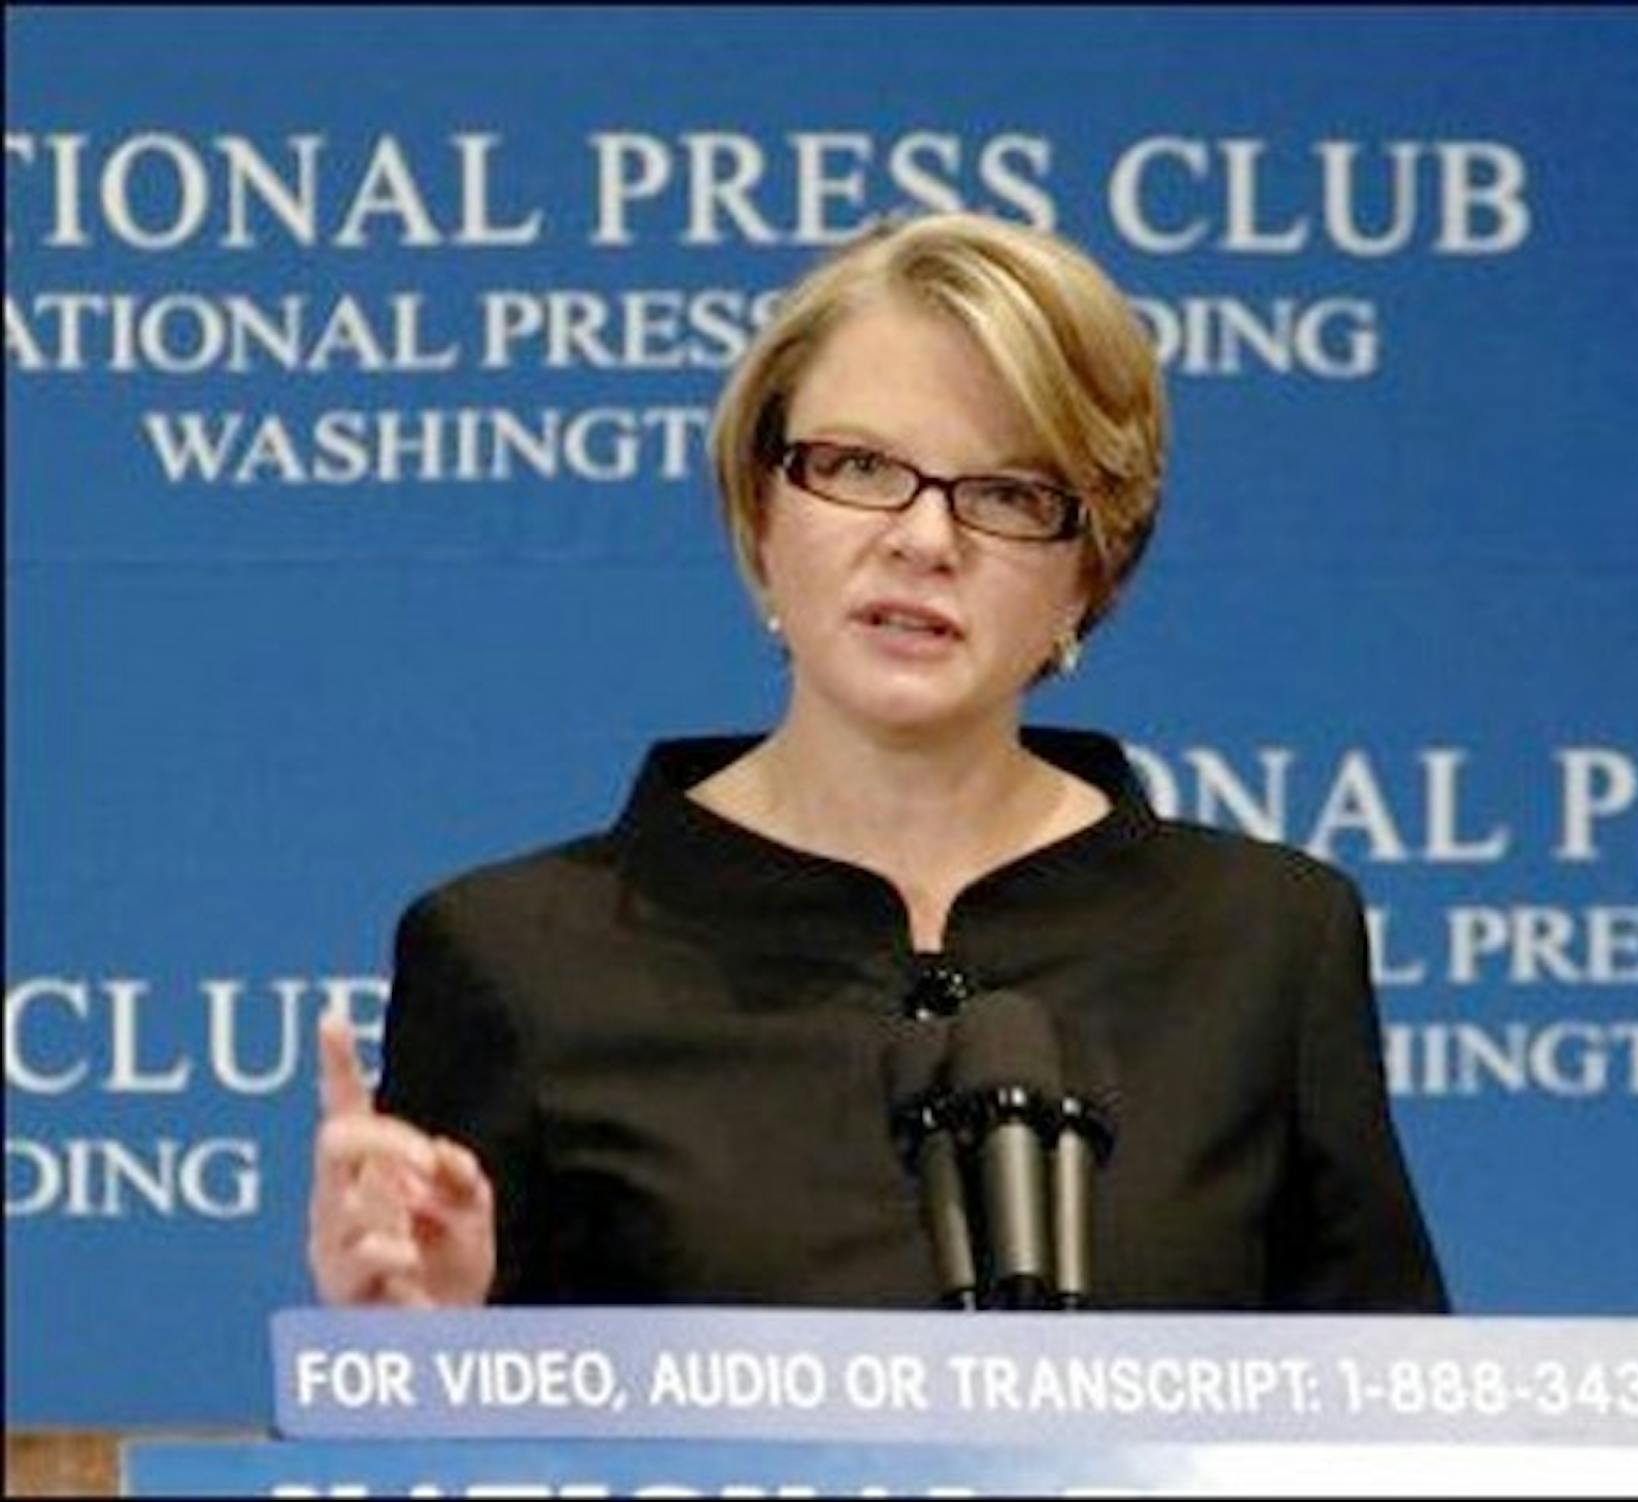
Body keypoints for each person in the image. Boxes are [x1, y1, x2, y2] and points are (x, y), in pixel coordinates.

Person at [309, 211, 1447, 1313]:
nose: (921, 538)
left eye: (1007, 493)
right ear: (760, 511)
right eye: (856, 466)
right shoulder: (518, 960)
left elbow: (1394, 1432)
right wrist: (420, 1357)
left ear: (1090, 570)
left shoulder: (1264, 941)